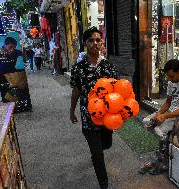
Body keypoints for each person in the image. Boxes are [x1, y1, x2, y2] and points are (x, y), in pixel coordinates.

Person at [69, 27, 117, 189]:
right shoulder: (78, 68)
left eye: (98, 40)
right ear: (85, 43)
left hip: (107, 118)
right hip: (88, 117)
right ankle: (104, 184)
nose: (95, 43)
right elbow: (76, 90)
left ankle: (97, 152)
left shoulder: (108, 66)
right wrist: (72, 110)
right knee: (97, 154)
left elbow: (117, 90)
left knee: (106, 145)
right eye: (91, 40)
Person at [138, 59, 179, 175]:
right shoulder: (171, 83)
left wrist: (165, 116)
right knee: (147, 121)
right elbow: (167, 103)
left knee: (159, 130)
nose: (170, 79)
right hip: (171, 112)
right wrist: (159, 114)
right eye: (168, 76)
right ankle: (159, 157)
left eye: (171, 75)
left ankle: (162, 161)